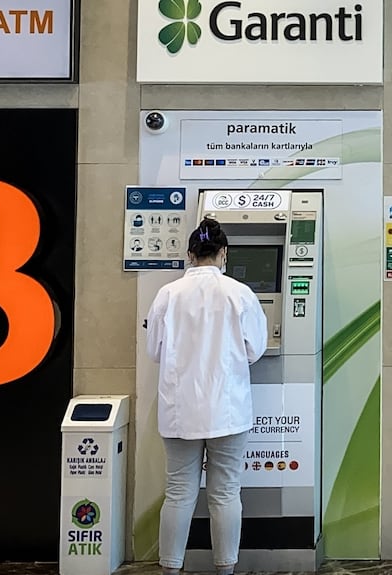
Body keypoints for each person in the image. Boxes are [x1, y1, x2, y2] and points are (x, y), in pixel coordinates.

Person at [145, 216, 268, 575]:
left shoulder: (167, 294)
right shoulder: (239, 293)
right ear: (223, 253)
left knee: (179, 492)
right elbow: (254, 349)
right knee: (226, 492)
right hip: (227, 410)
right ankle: (225, 569)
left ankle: (170, 569)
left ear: (189, 254)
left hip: (179, 410)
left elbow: (155, 350)